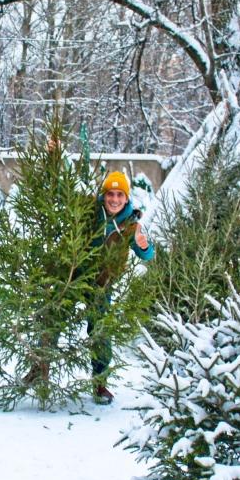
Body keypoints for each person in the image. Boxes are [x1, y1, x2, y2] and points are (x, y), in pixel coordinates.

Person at [88, 171, 154, 404]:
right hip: (74, 276)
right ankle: (39, 368)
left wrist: (144, 247)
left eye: (119, 195)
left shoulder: (130, 225)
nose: (114, 199)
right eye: (110, 194)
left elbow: (148, 253)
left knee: (101, 330)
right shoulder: (90, 211)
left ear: (126, 198)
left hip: (102, 284)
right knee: (51, 313)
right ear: (104, 195)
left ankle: (100, 383)